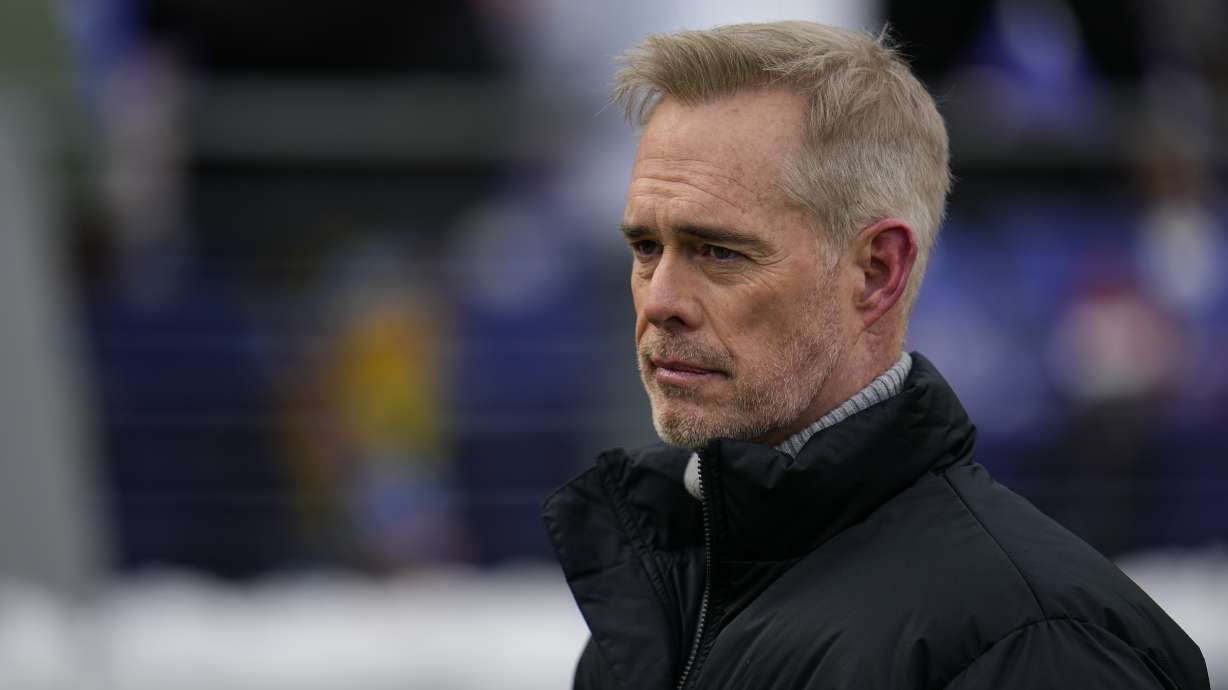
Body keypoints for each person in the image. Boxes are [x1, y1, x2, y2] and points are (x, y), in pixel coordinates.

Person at [540, 21, 1210, 690]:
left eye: (718, 251)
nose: (660, 301)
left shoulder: (1035, 643)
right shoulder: (661, 606)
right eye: (645, 248)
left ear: (877, 271)